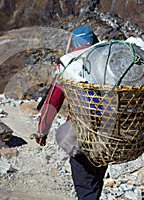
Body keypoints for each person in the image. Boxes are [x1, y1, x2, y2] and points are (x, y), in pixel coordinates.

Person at [34, 25, 107, 200]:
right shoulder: (106, 63)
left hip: (80, 135)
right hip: (108, 135)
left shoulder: (69, 66)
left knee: (86, 186)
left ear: (74, 44)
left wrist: (42, 132)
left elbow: (52, 101)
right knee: (96, 182)